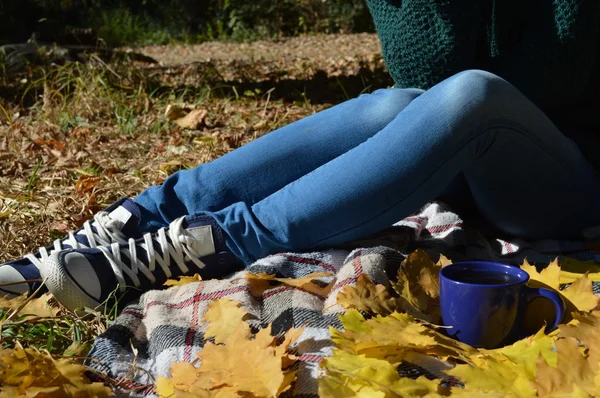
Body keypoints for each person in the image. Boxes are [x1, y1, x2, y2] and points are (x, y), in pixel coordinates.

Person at [3, 0, 600, 311]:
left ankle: (211, 244)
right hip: (470, 165)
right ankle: (142, 217)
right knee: (396, 104)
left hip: (565, 177)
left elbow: (555, 74)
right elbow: (423, 73)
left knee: (475, 95)